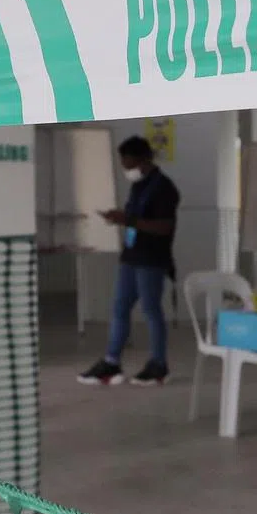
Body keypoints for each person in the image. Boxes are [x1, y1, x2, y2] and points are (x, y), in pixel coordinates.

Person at [78, 136, 180, 387]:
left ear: (145, 159)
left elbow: (164, 227)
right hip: (131, 256)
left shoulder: (164, 188)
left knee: (151, 311)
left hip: (151, 259)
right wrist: (119, 218)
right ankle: (111, 363)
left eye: (129, 164)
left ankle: (158, 365)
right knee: (120, 308)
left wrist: (129, 221)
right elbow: (134, 218)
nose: (127, 170)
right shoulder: (139, 186)